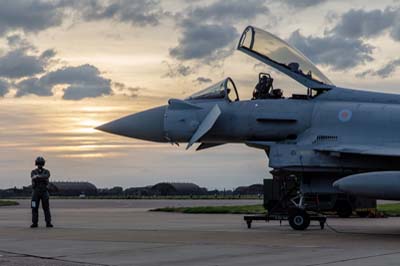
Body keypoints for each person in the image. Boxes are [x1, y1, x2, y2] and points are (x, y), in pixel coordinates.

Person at [30, 156, 53, 228]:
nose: (40, 164)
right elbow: (33, 177)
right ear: (36, 163)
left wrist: (38, 177)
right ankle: (34, 222)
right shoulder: (33, 172)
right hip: (35, 192)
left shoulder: (47, 171)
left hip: (44, 192)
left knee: (46, 208)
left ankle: (48, 222)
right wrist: (41, 177)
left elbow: (47, 176)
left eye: (41, 163)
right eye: (38, 163)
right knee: (34, 208)